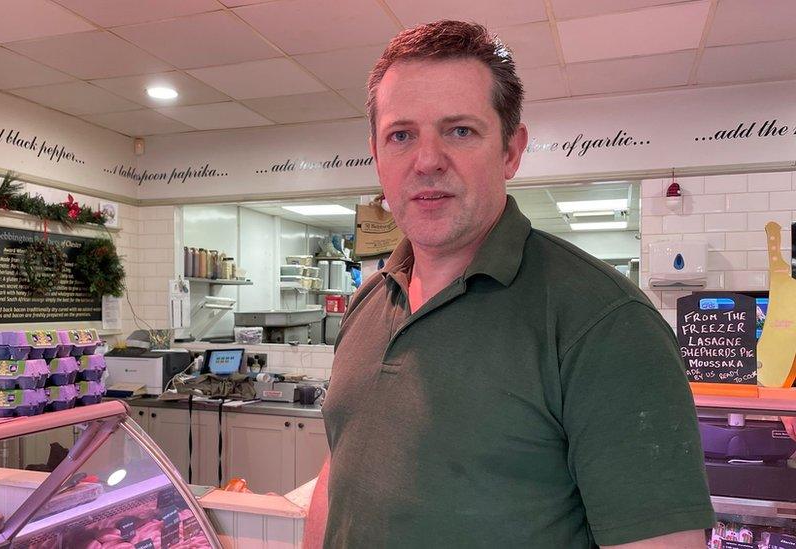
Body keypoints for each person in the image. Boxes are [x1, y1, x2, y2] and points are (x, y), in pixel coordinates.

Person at [304, 20, 714, 548]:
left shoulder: (605, 323)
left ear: (511, 151)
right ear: (378, 154)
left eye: (459, 130)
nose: (426, 161)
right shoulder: (368, 301)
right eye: (401, 135)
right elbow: (336, 480)